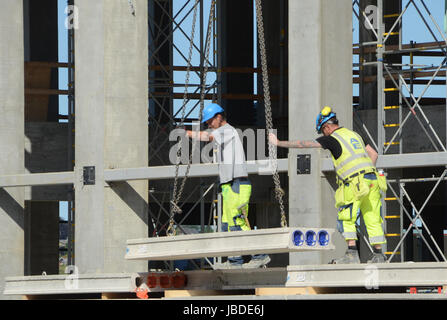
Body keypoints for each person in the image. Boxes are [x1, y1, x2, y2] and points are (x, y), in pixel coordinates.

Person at [269, 106, 387, 264]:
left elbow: (304, 144)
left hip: (354, 183)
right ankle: (379, 254)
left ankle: (352, 254)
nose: (323, 134)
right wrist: (364, 171)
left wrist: (278, 143)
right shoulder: (355, 135)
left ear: (327, 127)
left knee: (346, 217)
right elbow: (374, 154)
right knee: (372, 216)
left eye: (322, 131)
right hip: (373, 180)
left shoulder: (332, 138)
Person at [185, 102, 271, 269]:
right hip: (229, 184)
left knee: (238, 222)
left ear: (219, 117)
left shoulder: (227, 130)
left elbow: (206, 137)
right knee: (227, 224)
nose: (209, 125)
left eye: (210, 121)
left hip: (237, 183)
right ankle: (235, 261)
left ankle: (260, 255)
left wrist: (186, 132)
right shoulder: (222, 133)